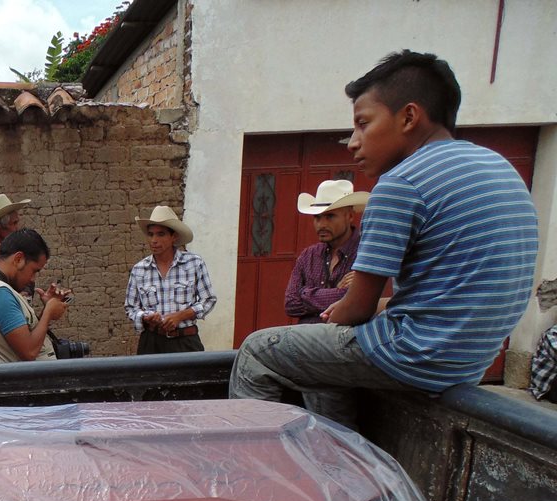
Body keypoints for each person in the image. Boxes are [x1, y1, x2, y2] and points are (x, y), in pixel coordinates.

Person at [230, 50, 539, 428]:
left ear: (409, 117)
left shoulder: (401, 183)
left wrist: (335, 313)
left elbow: (357, 307)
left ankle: (249, 468)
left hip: (413, 355)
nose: (352, 142)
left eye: (363, 124)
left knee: (257, 350)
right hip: (470, 362)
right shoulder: (499, 167)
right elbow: (452, 289)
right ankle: (341, 462)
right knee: (320, 363)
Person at [125, 205, 217, 354]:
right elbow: (131, 308)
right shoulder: (139, 270)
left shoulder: (194, 263)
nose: (154, 240)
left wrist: (180, 316)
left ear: (173, 237)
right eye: (150, 234)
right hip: (151, 342)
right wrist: (146, 317)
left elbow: (208, 300)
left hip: (186, 340)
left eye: (160, 234)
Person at [0, 228, 70, 362]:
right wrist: (48, 313)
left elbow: (25, 336)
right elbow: (29, 352)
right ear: (18, 259)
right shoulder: (0, 294)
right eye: (34, 271)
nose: (32, 279)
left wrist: (46, 311)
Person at [285, 179, 369, 324]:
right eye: (317, 217)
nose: (322, 224)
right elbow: (290, 303)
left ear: (349, 216)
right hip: (305, 339)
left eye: (330, 216)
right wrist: (338, 293)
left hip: (345, 339)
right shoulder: (309, 255)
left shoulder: (366, 251)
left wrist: (305, 294)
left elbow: (364, 299)